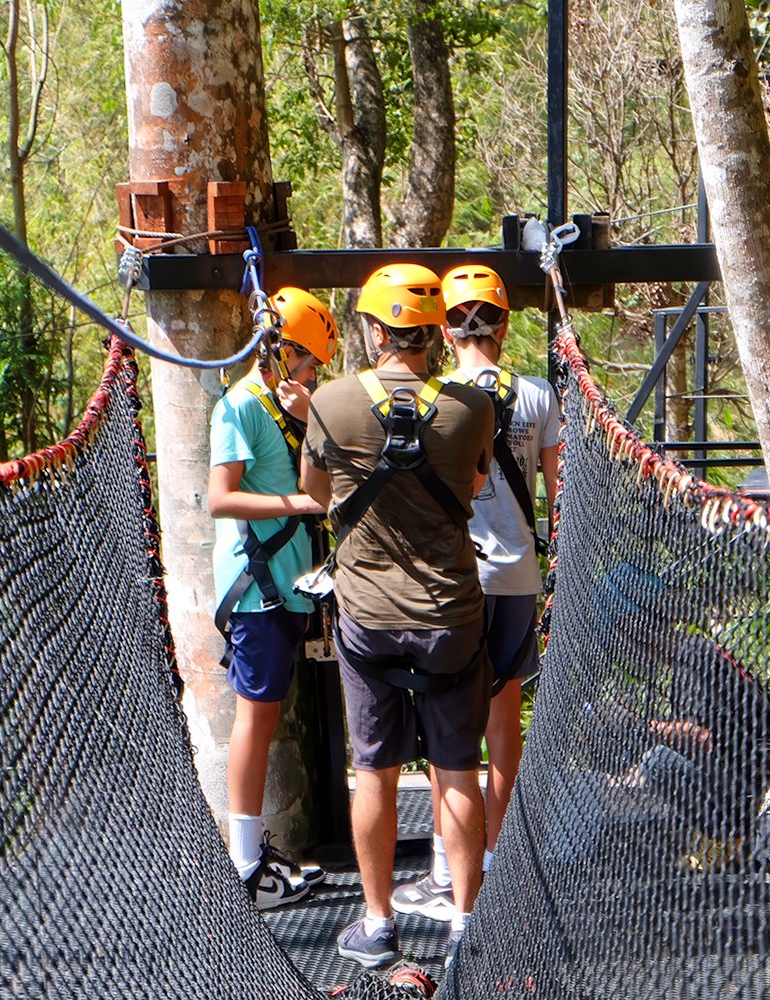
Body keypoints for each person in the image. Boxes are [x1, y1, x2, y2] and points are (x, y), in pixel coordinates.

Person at [300, 263, 495, 968]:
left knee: (376, 768)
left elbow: (315, 491)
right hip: (450, 615)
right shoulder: (474, 406)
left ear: (375, 330)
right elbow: (473, 484)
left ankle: (378, 921)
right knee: (456, 767)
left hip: (369, 618)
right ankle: (467, 923)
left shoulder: (331, 401)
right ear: (432, 331)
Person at [390, 264, 561, 923]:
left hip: (452, 580)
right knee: (502, 724)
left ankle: (445, 870)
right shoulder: (540, 396)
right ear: (505, 323)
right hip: (516, 575)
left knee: (447, 725)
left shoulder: (428, 396)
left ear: (443, 326)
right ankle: (494, 863)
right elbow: (560, 492)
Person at [208, 286, 338, 910]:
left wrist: (315, 415)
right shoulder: (238, 407)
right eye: (310, 361)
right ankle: (243, 866)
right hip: (257, 588)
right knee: (255, 719)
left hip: (288, 584)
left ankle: (254, 856)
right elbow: (220, 498)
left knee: (266, 714)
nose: (314, 373)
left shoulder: (293, 408)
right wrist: (299, 505)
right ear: (283, 353)